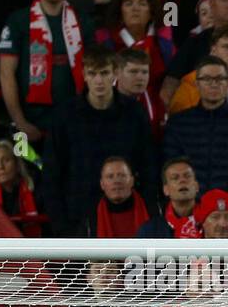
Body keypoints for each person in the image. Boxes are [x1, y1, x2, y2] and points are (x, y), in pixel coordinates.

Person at [41, 49, 157, 236]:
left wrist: (149, 210)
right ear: (84, 75)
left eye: (104, 73)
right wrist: (60, 225)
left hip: (129, 214)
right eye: (92, 73)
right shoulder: (64, 116)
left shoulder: (134, 113)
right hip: (77, 218)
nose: (98, 80)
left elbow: (148, 165)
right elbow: (52, 173)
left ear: (115, 73)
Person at [0, 0, 89, 145]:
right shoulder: (17, 20)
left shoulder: (83, 21)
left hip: (74, 120)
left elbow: (94, 69)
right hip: (26, 123)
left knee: (72, 170)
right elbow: (6, 74)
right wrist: (20, 122)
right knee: (21, 168)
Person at [162, 55, 228, 192]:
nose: (214, 84)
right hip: (190, 206)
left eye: (220, 79)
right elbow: (170, 168)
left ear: (227, 82)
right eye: (207, 79)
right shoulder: (178, 124)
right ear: (197, 84)